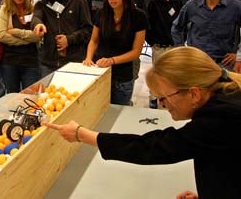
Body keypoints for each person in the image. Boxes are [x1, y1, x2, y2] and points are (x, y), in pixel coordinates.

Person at [45, 46, 241, 199]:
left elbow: (154, 147)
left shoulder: (220, 118)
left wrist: (83, 135)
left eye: (164, 97)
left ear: (194, 93)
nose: (163, 105)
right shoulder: (223, 97)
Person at [83, 0, 147, 105]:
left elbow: (136, 52)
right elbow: (94, 41)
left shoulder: (138, 16)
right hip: (99, 71)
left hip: (122, 77)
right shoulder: (101, 14)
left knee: (119, 114)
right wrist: (88, 58)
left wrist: (112, 60)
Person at [172, 0, 241, 71]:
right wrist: (182, 51)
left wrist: (238, 56)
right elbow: (176, 28)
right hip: (197, 64)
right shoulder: (191, 6)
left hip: (224, 65)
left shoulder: (235, 7)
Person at [29, 0, 92, 77]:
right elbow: (36, 17)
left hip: (74, 62)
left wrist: (69, 39)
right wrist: (38, 25)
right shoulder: (41, 5)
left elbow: (88, 29)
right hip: (48, 64)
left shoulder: (77, 0)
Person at [146, 0, 184, 108]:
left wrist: (180, 42)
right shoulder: (153, 1)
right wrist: (152, 42)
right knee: (157, 73)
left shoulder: (178, 1)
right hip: (159, 46)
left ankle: (168, 98)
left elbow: (181, 23)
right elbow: (148, 24)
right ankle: (153, 97)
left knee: (171, 75)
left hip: (174, 46)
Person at [0, 0, 40, 93]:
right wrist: (28, 39)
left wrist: (16, 32)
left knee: (31, 96)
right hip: (10, 62)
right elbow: (1, 35)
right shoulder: (5, 10)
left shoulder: (34, 9)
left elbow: (38, 36)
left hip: (31, 61)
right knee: (12, 97)